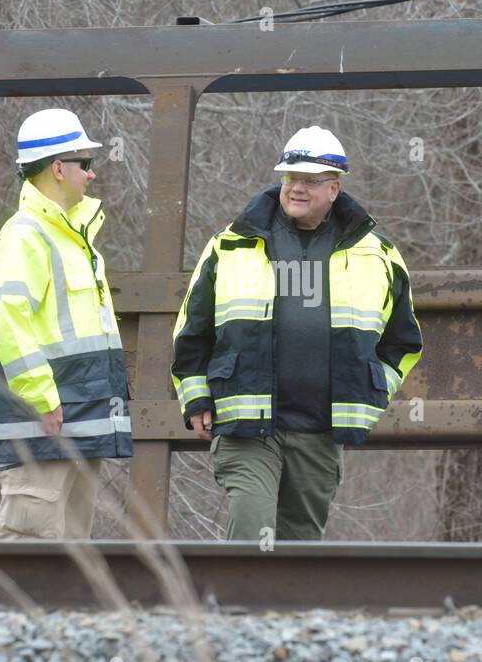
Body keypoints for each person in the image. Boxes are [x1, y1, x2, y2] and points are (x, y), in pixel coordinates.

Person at [171, 126, 423, 541]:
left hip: (321, 430)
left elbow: (403, 341)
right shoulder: (231, 245)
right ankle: (237, 607)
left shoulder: (376, 254)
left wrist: (372, 389)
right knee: (252, 533)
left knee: (300, 549)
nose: (297, 188)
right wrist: (196, 396)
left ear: (334, 189)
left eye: (309, 180)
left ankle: (289, 609)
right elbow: (191, 332)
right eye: (290, 178)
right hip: (247, 426)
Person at [0, 108, 132, 539]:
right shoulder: (25, 235)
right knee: (28, 545)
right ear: (58, 168)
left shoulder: (73, 240)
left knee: (70, 556)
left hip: (77, 421)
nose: (91, 175)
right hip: (45, 421)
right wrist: (42, 397)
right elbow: (8, 320)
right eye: (86, 163)